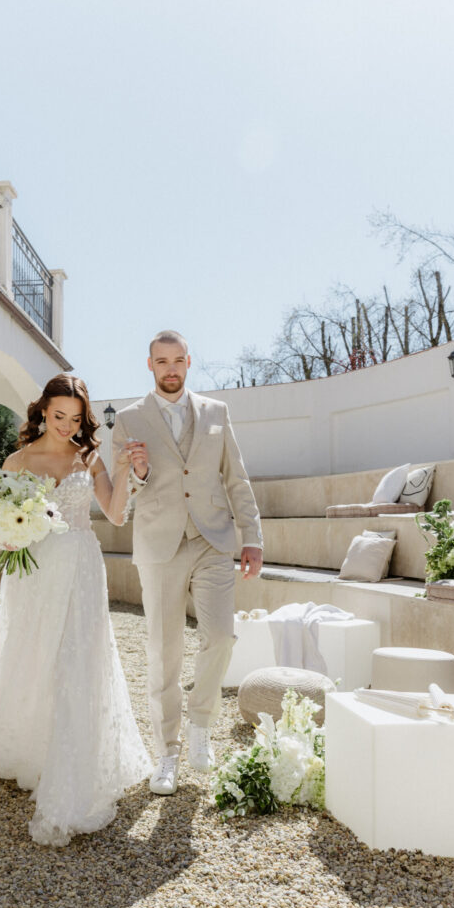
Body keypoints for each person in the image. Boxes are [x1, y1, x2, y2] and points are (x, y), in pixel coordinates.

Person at [0, 373, 152, 846]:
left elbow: (115, 514)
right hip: (34, 573)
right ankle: (37, 751)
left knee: (77, 661)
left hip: (80, 567)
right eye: (59, 416)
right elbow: (1, 526)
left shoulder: (88, 457)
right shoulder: (17, 461)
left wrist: (126, 472)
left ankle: (74, 768)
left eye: (75, 419)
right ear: (42, 411)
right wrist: (11, 535)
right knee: (35, 656)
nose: (66, 426)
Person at [112, 331, 263, 795]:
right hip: (159, 544)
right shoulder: (128, 419)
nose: (171, 369)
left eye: (177, 360)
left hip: (212, 539)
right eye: (162, 361)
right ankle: (168, 752)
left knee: (220, 636)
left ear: (189, 362)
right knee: (164, 651)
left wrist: (252, 537)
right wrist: (138, 474)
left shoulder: (217, 412)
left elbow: (236, 478)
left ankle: (200, 724)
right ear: (150, 365)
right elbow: (120, 492)